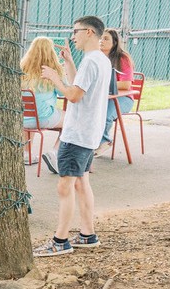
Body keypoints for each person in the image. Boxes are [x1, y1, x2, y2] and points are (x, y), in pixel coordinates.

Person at [36, 16, 113, 257]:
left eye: (76, 31)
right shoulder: (99, 60)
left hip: (78, 133)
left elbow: (74, 95)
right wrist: (69, 62)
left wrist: (53, 77)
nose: (73, 36)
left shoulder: (92, 62)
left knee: (65, 185)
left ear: (89, 32)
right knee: (81, 182)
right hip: (89, 132)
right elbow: (80, 85)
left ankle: (60, 240)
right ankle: (88, 234)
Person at [99, 28, 137, 154]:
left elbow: (126, 85)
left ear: (114, 42)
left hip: (124, 99)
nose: (101, 41)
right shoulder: (96, 57)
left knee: (105, 113)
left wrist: (102, 84)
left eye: (106, 38)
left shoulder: (123, 58)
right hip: (104, 98)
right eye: (100, 38)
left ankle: (104, 142)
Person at [21, 36, 65, 130]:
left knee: (32, 121)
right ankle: (57, 145)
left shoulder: (22, 69)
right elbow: (63, 93)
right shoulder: (54, 71)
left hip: (23, 118)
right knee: (72, 120)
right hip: (44, 118)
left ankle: (27, 145)